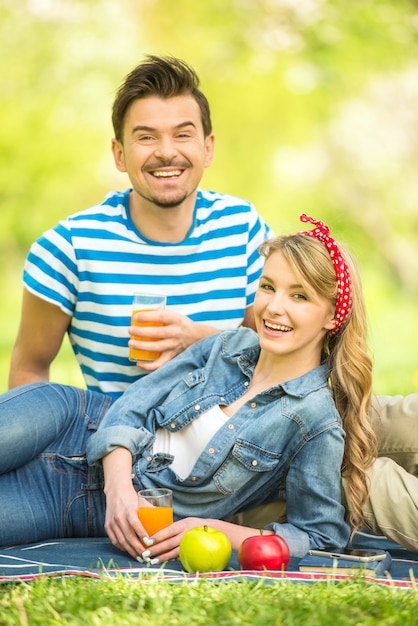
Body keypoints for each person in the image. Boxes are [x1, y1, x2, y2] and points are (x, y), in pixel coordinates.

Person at [0, 215, 377, 560]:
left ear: (332, 314)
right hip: (71, 421)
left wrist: (210, 528)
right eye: (268, 287)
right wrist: (119, 491)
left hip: (73, 503)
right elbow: (132, 406)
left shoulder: (315, 423)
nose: (274, 307)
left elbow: (320, 535)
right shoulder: (226, 345)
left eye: (299, 296)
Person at [8, 55, 272, 398]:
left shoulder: (244, 230)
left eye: (182, 134)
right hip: (109, 438)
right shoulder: (69, 247)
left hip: (223, 435)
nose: (166, 152)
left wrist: (200, 340)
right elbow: (29, 368)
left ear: (207, 148)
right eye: (146, 137)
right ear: (119, 154)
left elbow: (277, 350)